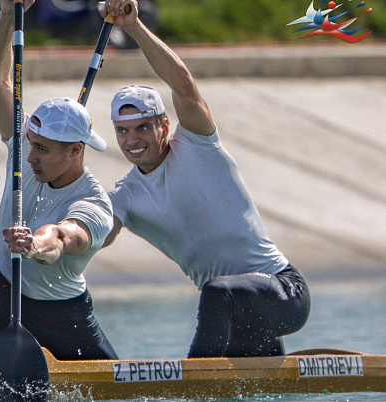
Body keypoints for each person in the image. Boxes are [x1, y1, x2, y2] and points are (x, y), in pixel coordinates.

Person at [100, 0, 311, 358]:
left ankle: (190, 389)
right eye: (122, 131)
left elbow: (183, 84)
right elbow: (95, 233)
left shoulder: (196, 144)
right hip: (238, 315)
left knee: (217, 293)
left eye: (142, 128)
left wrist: (133, 27)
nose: (132, 141)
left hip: (284, 292)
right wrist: (50, 241)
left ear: (164, 126)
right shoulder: (126, 196)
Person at [0, 0, 118, 361]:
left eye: (44, 151)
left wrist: (34, 244)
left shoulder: (95, 204)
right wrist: (5, 13)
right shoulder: (25, 141)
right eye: (31, 145)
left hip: (62, 317)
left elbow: (65, 237)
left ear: (76, 151)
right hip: (3, 294)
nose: (29, 156)